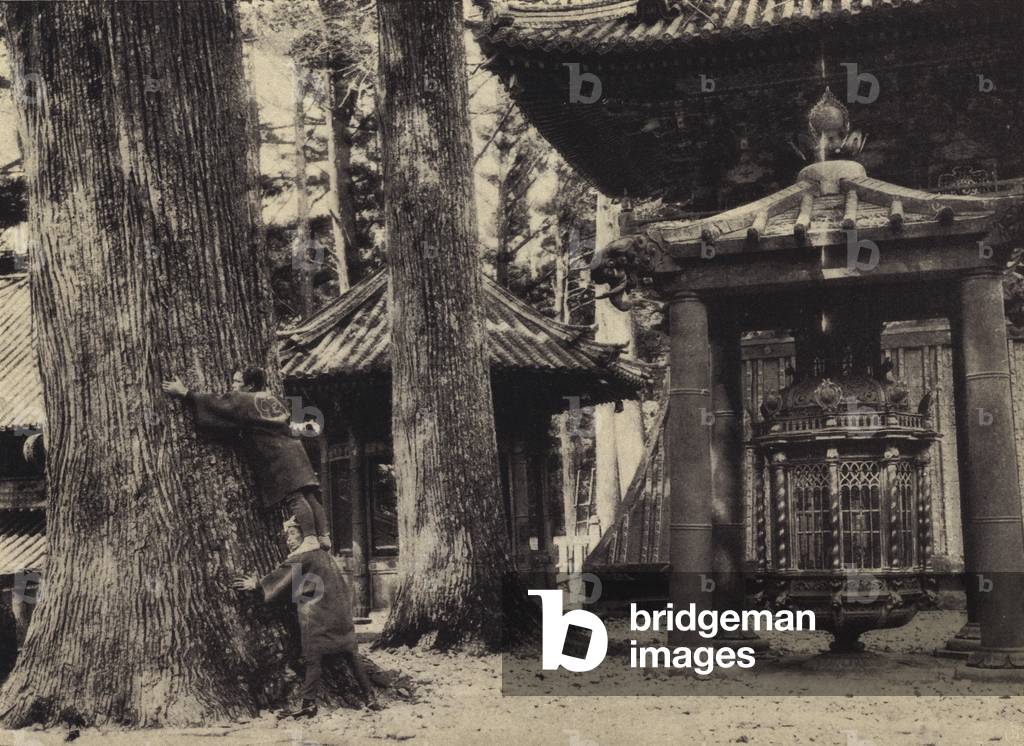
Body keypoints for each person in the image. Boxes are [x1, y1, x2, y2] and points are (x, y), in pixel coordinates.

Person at [162, 367, 330, 551]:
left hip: (278, 454)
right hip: (295, 449)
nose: (233, 386)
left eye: (237, 382)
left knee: (294, 496)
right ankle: (323, 536)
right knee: (309, 495)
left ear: (249, 386)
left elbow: (218, 403)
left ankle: (310, 538)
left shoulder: (245, 399)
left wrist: (186, 393)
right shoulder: (271, 398)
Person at [232, 518, 379, 717]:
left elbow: (282, 579)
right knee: (351, 654)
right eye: (287, 535)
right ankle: (370, 697)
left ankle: (309, 703)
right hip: (340, 613)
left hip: (318, 616)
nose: (289, 540)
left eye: (293, 534)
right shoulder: (323, 555)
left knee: (313, 658)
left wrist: (257, 584)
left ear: (305, 535)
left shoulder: (302, 557)